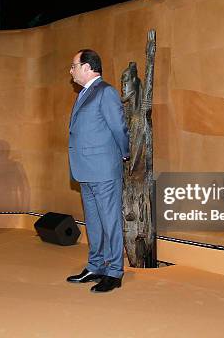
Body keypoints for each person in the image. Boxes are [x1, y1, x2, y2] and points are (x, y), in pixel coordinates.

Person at [66, 49, 130, 293]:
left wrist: (124, 153)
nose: (71, 71)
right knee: (93, 222)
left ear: (87, 67)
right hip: (85, 170)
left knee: (110, 221)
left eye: (73, 66)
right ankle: (95, 266)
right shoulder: (83, 94)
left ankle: (114, 271)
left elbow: (119, 127)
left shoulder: (106, 92)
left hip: (104, 170)